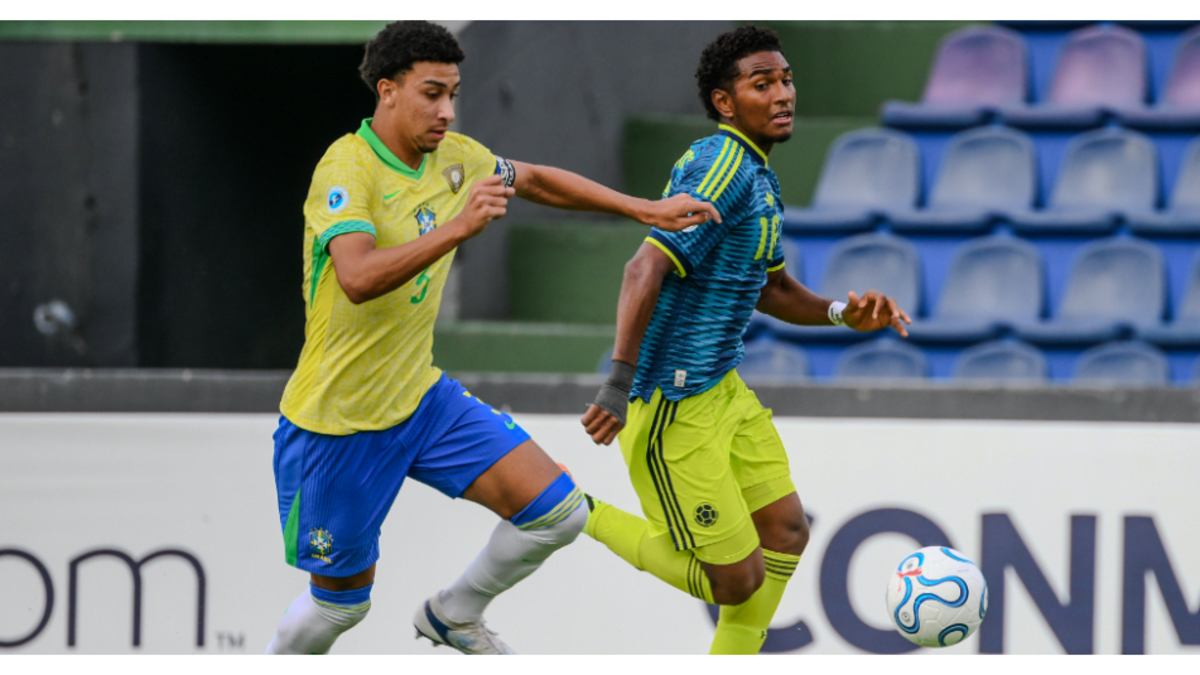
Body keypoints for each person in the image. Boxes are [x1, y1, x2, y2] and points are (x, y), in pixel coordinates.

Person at [266, 20, 720, 656]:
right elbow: (358, 276)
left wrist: (642, 209)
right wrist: (457, 228)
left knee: (557, 513)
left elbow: (531, 178)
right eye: (432, 94)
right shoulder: (347, 167)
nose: (447, 111)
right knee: (339, 608)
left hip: (420, 400)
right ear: (388, 90)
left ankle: (454, 613)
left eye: (454, 93)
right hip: (337, 423)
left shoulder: (456, 157)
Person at [579, 25, 912, 655]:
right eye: (764, 83)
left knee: (785, 532)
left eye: (786, 79)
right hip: (672, 402)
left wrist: (844, 313)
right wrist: (619, 384)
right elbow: (643, 267)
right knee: (735, 581)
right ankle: (572, 511)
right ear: (725, 102)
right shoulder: (721, 165)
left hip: (722, 390)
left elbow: (773, 289)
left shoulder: (760, 178)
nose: (784, 93)